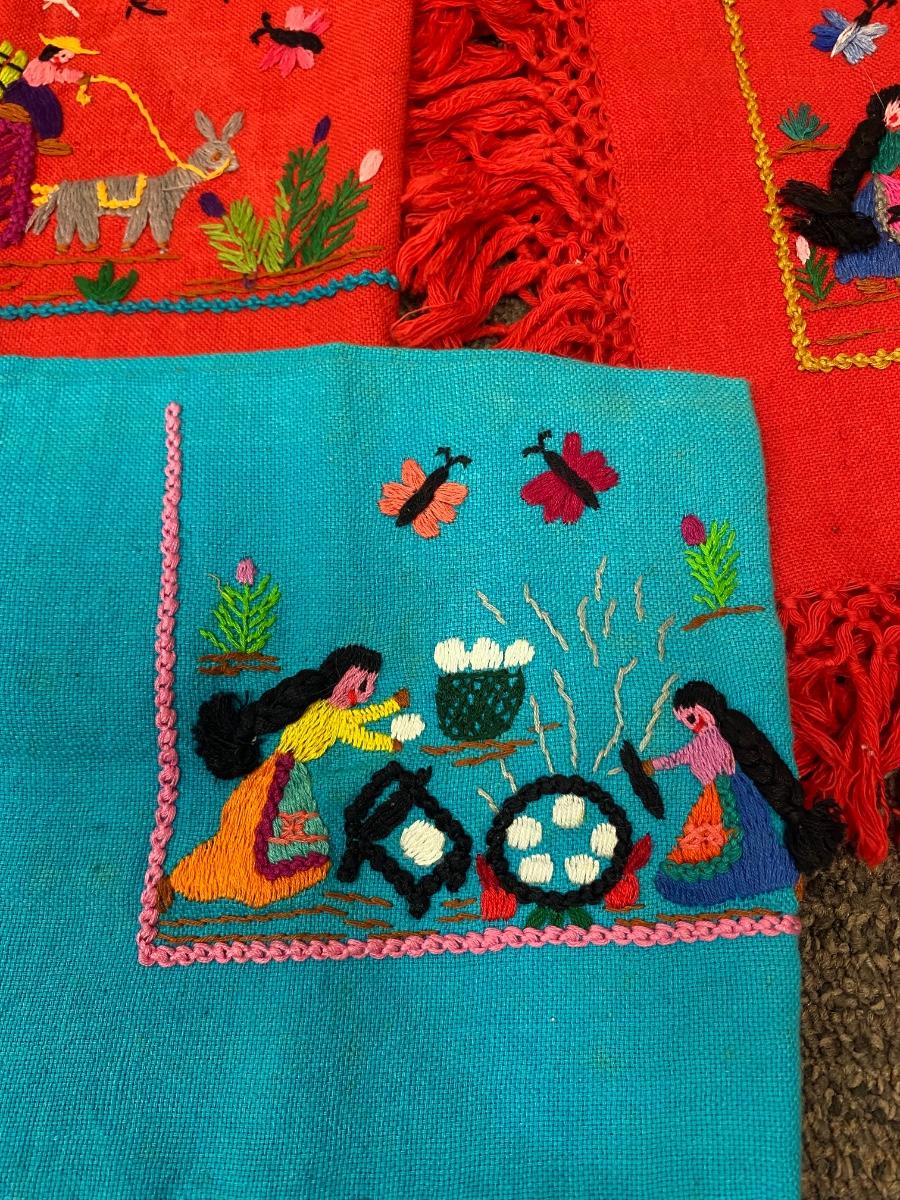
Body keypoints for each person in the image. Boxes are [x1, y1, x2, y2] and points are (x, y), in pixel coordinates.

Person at [158, 645, 410, 910]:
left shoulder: (326, 710)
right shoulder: (328, 715)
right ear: (341, 678)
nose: (365, 694)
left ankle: (183, 879)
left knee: (244, 832)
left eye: (369, 687)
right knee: (258, 832)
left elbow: (360, 718)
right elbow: (358, 734)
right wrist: (389, 740)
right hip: (283, 776)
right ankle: (191, 880)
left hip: (280, 770)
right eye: (362, 685)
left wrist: (393, 705)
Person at [642, 681, 843, 907]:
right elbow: (677, 758)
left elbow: (678, 757)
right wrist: (652, 765)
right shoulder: (704, 742)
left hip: (730, 797)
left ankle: (776, 879)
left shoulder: (717, 737)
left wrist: (653, 765)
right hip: (718, 798)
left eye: (691, 718)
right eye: (686, 721)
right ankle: (776, 878)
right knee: (745, 839)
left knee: (746, 839)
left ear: (705, 711)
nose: (691, 726)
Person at [782, 84, 900, 292]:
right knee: (875, 229)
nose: (895, 116)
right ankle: (864, 271)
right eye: (894, 108)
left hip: (890, 189)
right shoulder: (873, 133)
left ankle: (889, 270)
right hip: (874, 191)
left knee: (890, 232)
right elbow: (864, 162)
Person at [0, 35, 98, 155]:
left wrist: (77, 77)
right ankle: (38, 134)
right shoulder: (39, 64)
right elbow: (48, 77)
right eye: (63, 56)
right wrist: (75, 76)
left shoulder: (50, 66)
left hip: (36, 90)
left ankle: (46, 139)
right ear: (51, 51)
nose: (65, 60)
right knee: (45, 110)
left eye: (68, 58)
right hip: (26, 90)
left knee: (51, 111)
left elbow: (59, 74)